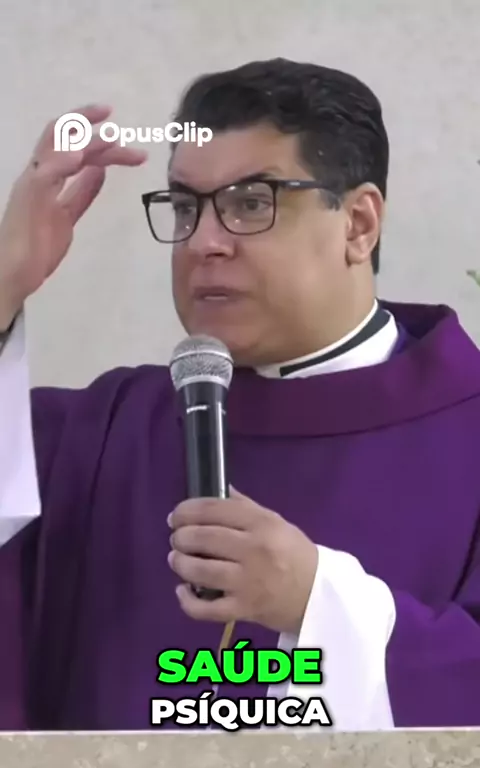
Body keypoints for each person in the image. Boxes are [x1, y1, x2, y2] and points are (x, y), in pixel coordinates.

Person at [1, 58, 480, 733]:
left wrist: (315, 603)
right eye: (186, 207)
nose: (205, 242)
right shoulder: (96, 438)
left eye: (251, 203)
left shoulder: (466, 429)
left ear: (358, 224)